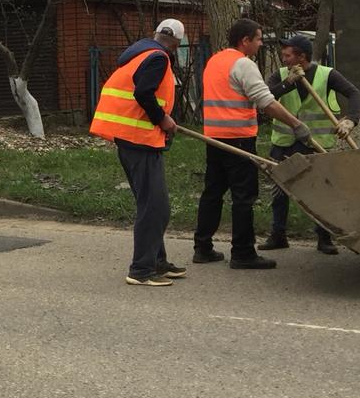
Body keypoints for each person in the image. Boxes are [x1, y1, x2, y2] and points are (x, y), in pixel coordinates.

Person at [193, 19, 313, 270]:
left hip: (214, 137)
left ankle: (202, 248)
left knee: (212, 192)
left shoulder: (214, 61)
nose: (260, 43)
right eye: (258, 39)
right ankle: (243, 253)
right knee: (244, 196)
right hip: (238, 138)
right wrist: (295, 124)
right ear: (245, 41)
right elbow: (265, 101)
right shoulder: (243, 64)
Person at [90, 18, 186, 287]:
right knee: (155, 207)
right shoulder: (158, 58)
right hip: (139, 140)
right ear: (177, 43)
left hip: (134, 140)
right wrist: (162, 119)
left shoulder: (140, 53)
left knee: (152, 205)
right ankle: (142, 269)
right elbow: (144, 93)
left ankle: (156, 261)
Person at [259, 35, 360, 256]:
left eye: (287, 55)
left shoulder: (327, 75)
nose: (283, 59)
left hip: (317, 144)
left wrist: (350, 119)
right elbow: (265, 99)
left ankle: (324, 237)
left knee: (321, 192)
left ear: (302, 57)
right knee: (279, 191)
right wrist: (288, 83)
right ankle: (278, 235)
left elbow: (354, 94)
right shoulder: (280, 75)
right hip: (285, 142)